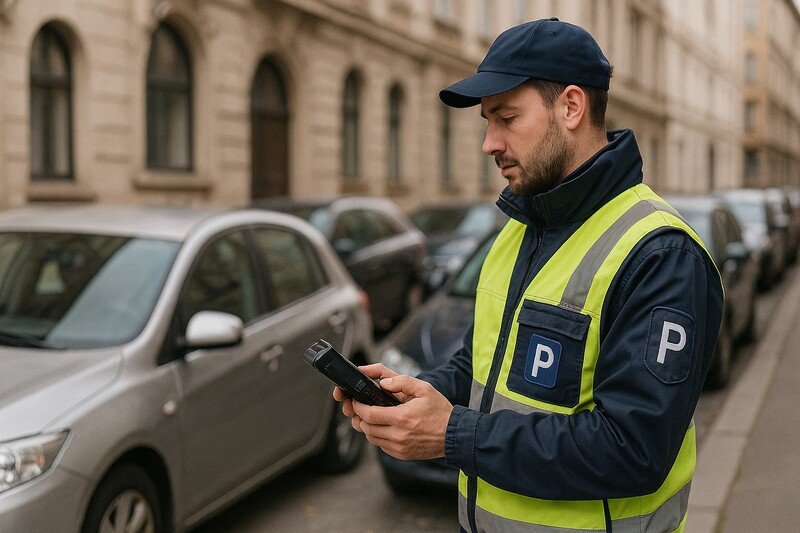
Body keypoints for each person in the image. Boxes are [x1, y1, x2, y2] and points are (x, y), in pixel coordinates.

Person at [334, 18, 722, 533]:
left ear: (570, 107)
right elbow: (480, 369)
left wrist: (452, 435)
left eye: (506, 118)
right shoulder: (518, 231)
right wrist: (413, 396)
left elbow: (633, 450)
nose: (488, 143)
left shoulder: (661, 254)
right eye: (486, 123)